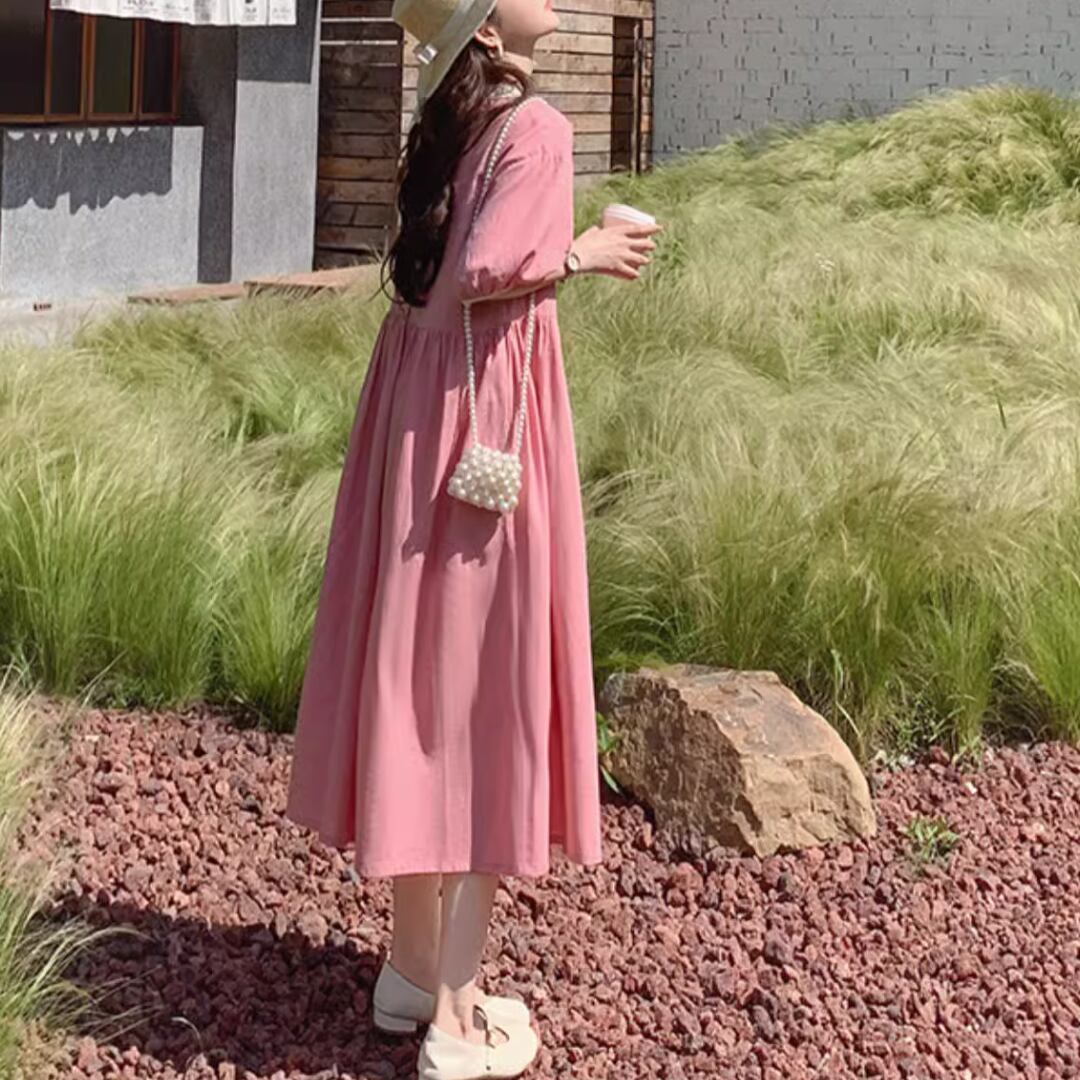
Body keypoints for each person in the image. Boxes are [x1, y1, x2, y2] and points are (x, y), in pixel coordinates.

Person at [283, 0, 662, 1076]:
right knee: (491, 690)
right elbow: (497, 270)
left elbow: (445, 277)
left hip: (415, 418)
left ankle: (410, 968)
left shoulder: (452, 123)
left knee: (420, 679)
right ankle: (455, 1016)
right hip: (486, 426)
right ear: (486, 29)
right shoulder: (535, 126)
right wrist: (585, 250)